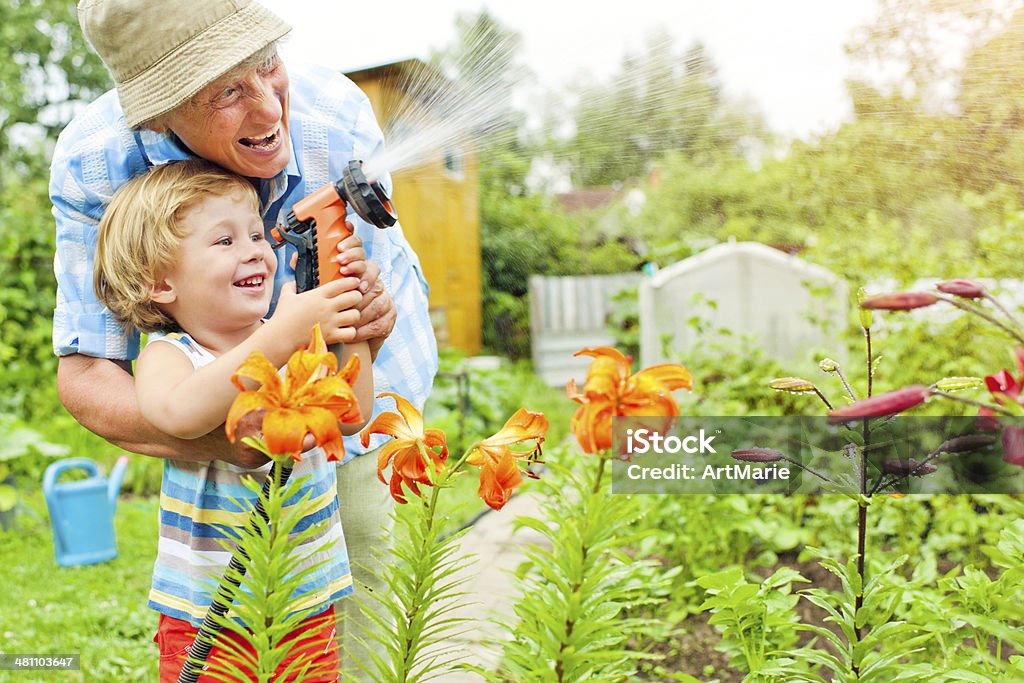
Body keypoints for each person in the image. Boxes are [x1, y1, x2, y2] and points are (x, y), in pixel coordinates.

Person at [52, 0, 438, 674]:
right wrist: (247, 429)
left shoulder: (332, 117)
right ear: (158, 114)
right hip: (215, 557)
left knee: (366, 603)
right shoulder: (96, 163)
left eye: (267, 65)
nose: (269, 111)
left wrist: (359, 331)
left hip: (339, 456)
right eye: (227, 90)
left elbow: (352, 409)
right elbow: (102, 377)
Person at [93, 158, 371, 681]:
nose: (254, 251)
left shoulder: (290, 340)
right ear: (160, 283)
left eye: (255, 235)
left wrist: (345, 304)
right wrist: (284, 334)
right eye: (224, 242)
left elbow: (351, 413)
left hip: (306, 603)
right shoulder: (171, 355)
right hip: (208, 619)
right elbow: (176, 413)